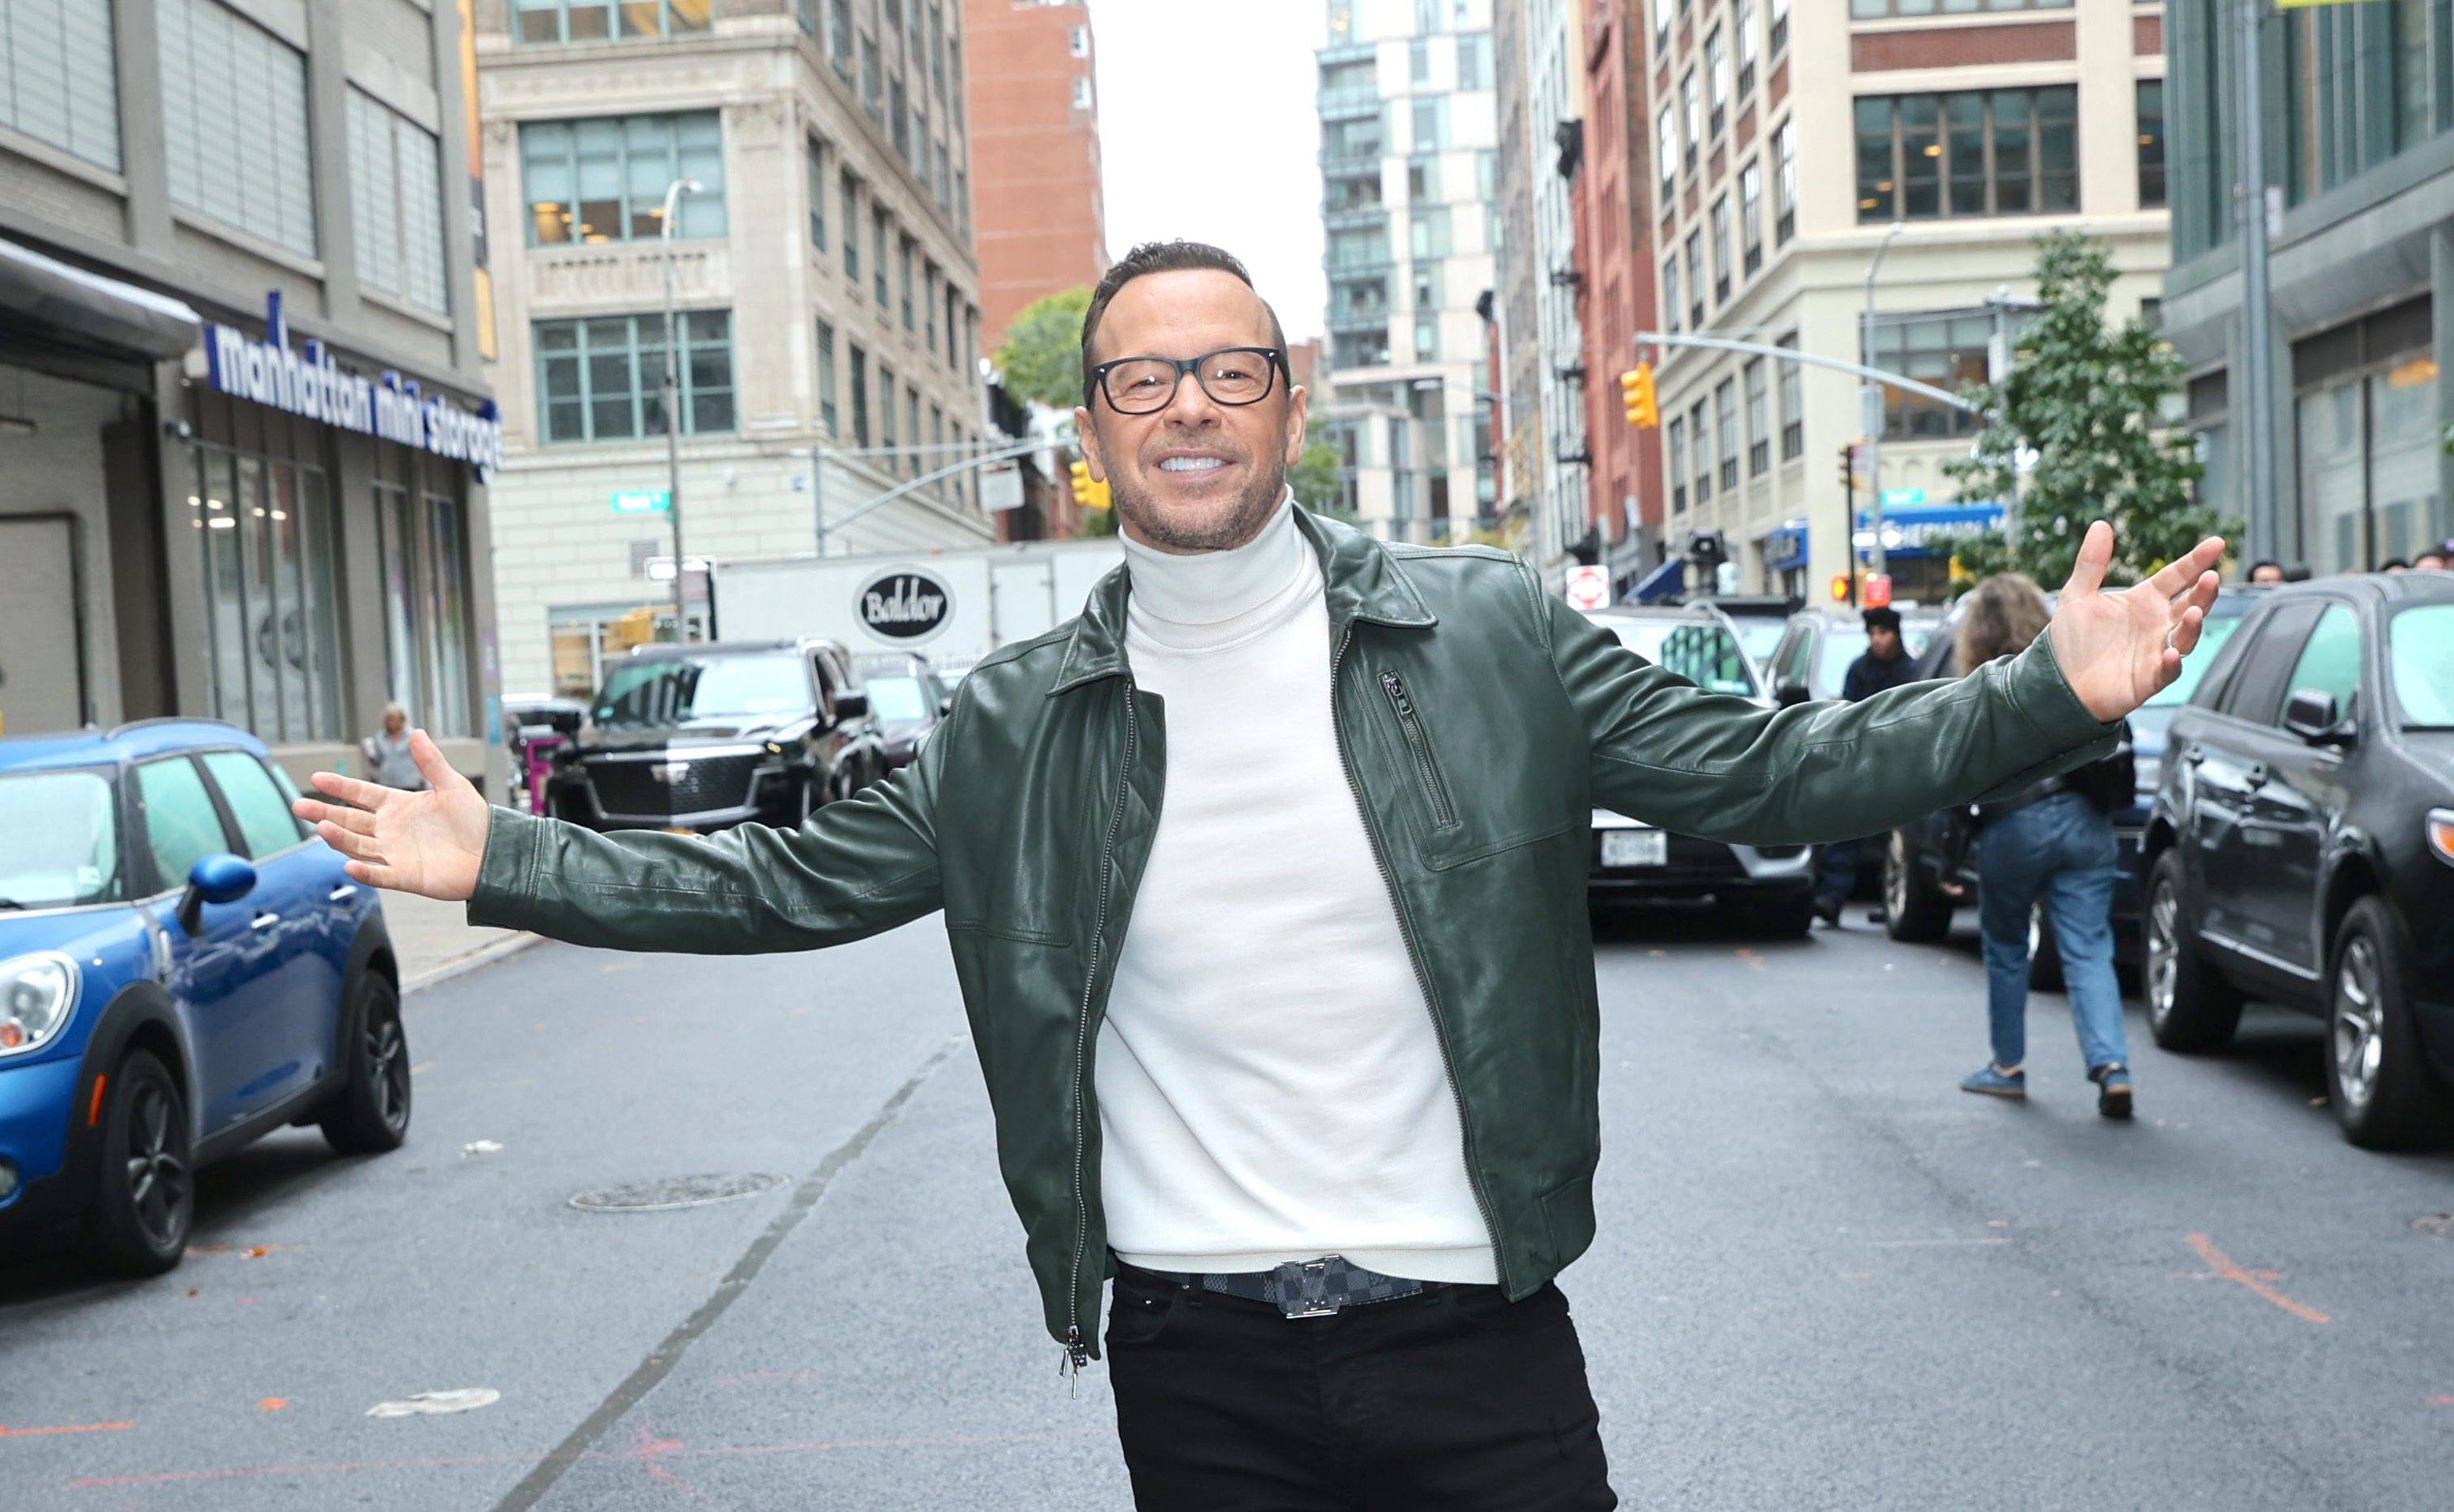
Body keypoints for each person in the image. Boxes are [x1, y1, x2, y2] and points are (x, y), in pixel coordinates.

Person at [291, 241, 2223, 1511]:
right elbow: (776, 884)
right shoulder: (1010, 721)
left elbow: (1794, 764)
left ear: (1287, 401)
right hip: (1197, 1363)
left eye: (1226, 370)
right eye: (1143, 381)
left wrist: (2037, 692)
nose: (1189, 407)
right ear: (1089, 439)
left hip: (1475, 1337)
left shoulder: (1487, 643)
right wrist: (506, 856)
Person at [1952, 575, 2135, 1119]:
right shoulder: (2068, 668)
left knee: (2007, 947)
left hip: (2013, 825)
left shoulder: (1981, 686)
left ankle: (2007, 1067)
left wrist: (1954, 842)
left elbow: (1956, 775)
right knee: (2088, 946)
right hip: (2083, 821)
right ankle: (2112, 1066)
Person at [1813, 606, 1919, 926]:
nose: (1878, 640)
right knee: (1846, 827)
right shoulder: (1860, 669)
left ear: (1896, 635)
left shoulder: (1911, 671)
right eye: (1873, 633)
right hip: (1862, 760)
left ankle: (1890, 903)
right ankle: (1831, 898)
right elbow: (1847, 711)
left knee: (1898, 838)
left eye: (1883, 633)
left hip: (1901, 762)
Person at [363, 703, 427, 791]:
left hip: (409, 781)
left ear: (402, 719)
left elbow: (421, 757)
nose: (393, 722)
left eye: (395, 719)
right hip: (387, 782)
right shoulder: (380, 737)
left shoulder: (411, 735)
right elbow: (378, 761)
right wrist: (370, 754)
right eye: (390, 719)